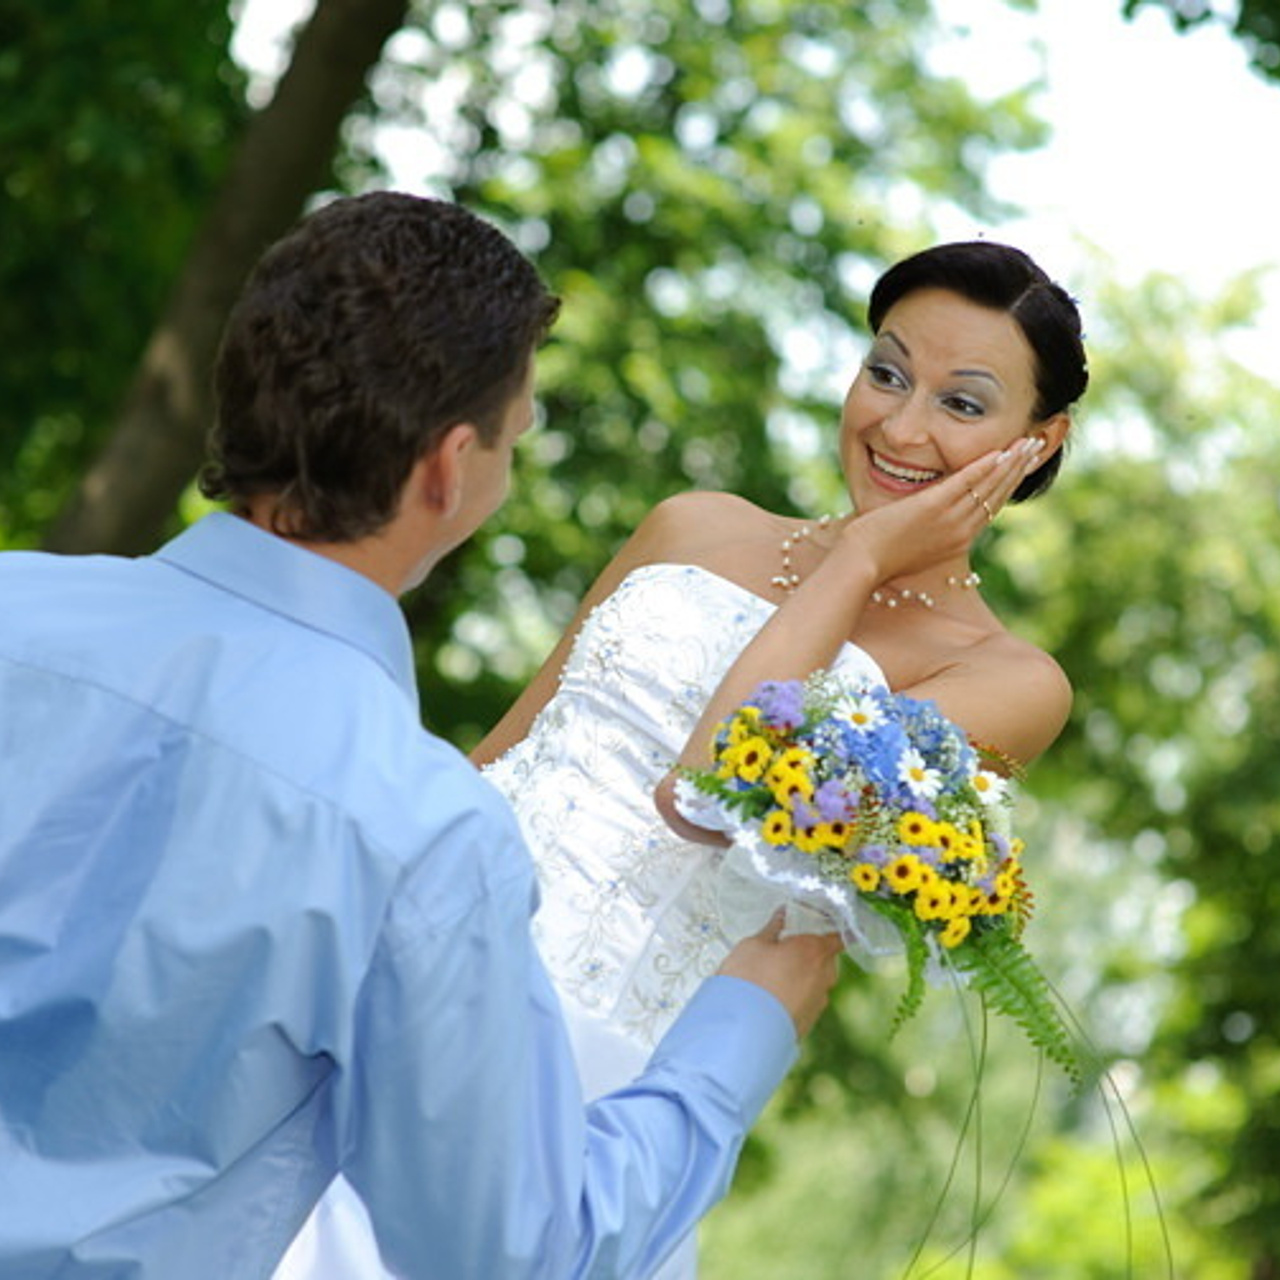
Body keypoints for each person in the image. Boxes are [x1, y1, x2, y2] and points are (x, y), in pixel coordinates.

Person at [0, 191, 845, 1280]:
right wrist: (736, 1036)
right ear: (448, 468)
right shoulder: (420, 832)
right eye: (513, 436)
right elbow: (511, 1249)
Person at [281, 239, 1089, 1279]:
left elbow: (707, 787)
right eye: (885, 373)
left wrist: (856, 558)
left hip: (586, 1084)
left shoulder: (1007, 681)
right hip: (382, 981)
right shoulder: (691, 526)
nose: (898, 427)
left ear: (1039, 439)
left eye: (962, 403)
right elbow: (501, 754)